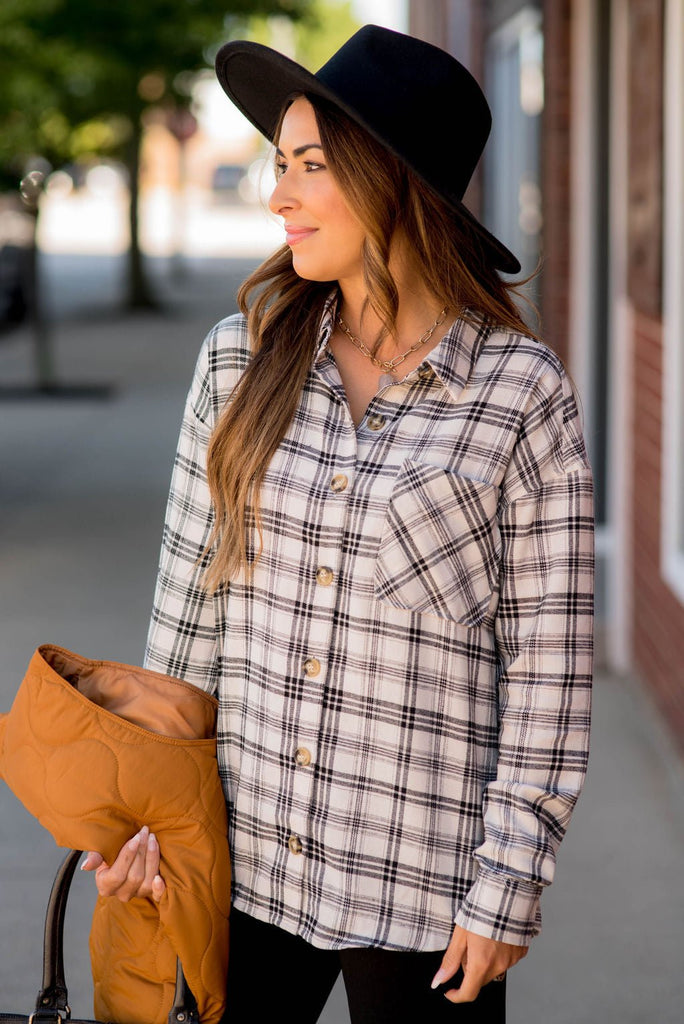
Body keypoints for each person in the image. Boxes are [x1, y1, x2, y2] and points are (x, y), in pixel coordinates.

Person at [82, 25, 594, 1023]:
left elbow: (546, 677)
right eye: (280, 164)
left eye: (310, 165)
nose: (279, 196)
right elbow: (185, 630)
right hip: (239, 866)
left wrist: (509, 886)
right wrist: (142, 824)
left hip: (423, 892)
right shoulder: (238, 363)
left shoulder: (520, 394)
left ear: (392, 178)